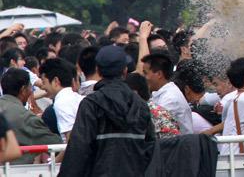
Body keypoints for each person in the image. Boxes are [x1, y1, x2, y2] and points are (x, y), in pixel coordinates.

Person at [59, 45, 157, 176]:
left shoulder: (91, 104)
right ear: (125, 71)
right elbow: (149, 146)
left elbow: (78, 150)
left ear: (98, 71)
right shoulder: (141, 105)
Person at [0, 68, 61, 164]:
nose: (31, 91)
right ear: (23, 90)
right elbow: (57, 144)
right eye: (31, 87)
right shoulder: (28, 118)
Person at [143, 51, 193, 134]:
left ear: (159, 74)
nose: (144, 78)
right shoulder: (163, 93)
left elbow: (155, 124)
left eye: (145, 73)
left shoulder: (170, 98)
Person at [38, 58, 83, 142]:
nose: (43, 87)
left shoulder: (61, 103)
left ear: (55, 81)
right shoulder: (78, 98)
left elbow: (71, 141)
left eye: (44, 82)